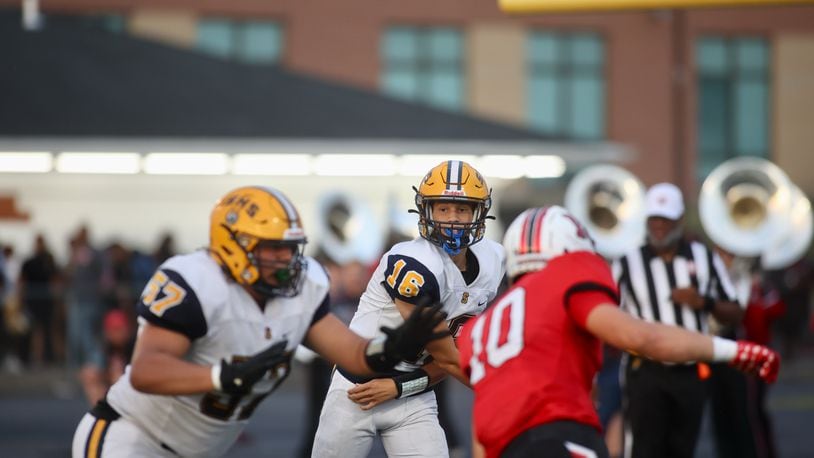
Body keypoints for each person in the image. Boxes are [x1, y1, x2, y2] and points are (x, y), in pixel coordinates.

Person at [71, 186, 449, 458]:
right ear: (232, 244)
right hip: (132, 438)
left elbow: (352, 356)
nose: (285, 259)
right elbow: (146, 372)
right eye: (272, 248)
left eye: (290, 248)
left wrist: (390, 348)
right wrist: (222, 377)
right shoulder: (196, 282)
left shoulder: (303, 287)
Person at [458, 205, 781, 458]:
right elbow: (644, 338)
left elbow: (480, 432)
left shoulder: (479, 328)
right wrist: (731, 350)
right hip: (559, 436)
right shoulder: (564, 278)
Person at [312, 160, 506, 458]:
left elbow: (451, 359)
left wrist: (400, 387)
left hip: (413, 397)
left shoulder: (494, 260)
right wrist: (511, 392)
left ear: (478, 213)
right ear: (426, 211)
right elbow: (448, 357)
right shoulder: (411, 263)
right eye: (443, 209)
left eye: (462, 209)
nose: (452, 219)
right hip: (356, 390)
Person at [613, 183, 744, 458]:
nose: (659, 226)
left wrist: (704, 302)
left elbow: (735, 310)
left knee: (683, 447)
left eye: (665, 219)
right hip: (644, 369)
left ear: (679, 220)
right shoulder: (627, 262)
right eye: (654, 219)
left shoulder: (704, 257)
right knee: (643, 448)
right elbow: (609, 310)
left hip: (690, 370)